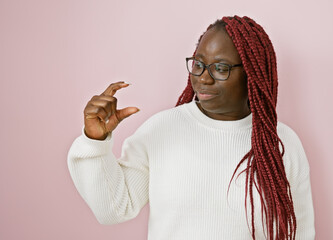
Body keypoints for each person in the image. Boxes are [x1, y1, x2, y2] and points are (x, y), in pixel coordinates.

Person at [67, 16, 315, 240]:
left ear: (252, 74)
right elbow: (113, 209)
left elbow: (299, 233)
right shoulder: (161, 130)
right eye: (198, 64)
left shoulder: (281, 144)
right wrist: (94, 141)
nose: (203, 78)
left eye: (220, 68)